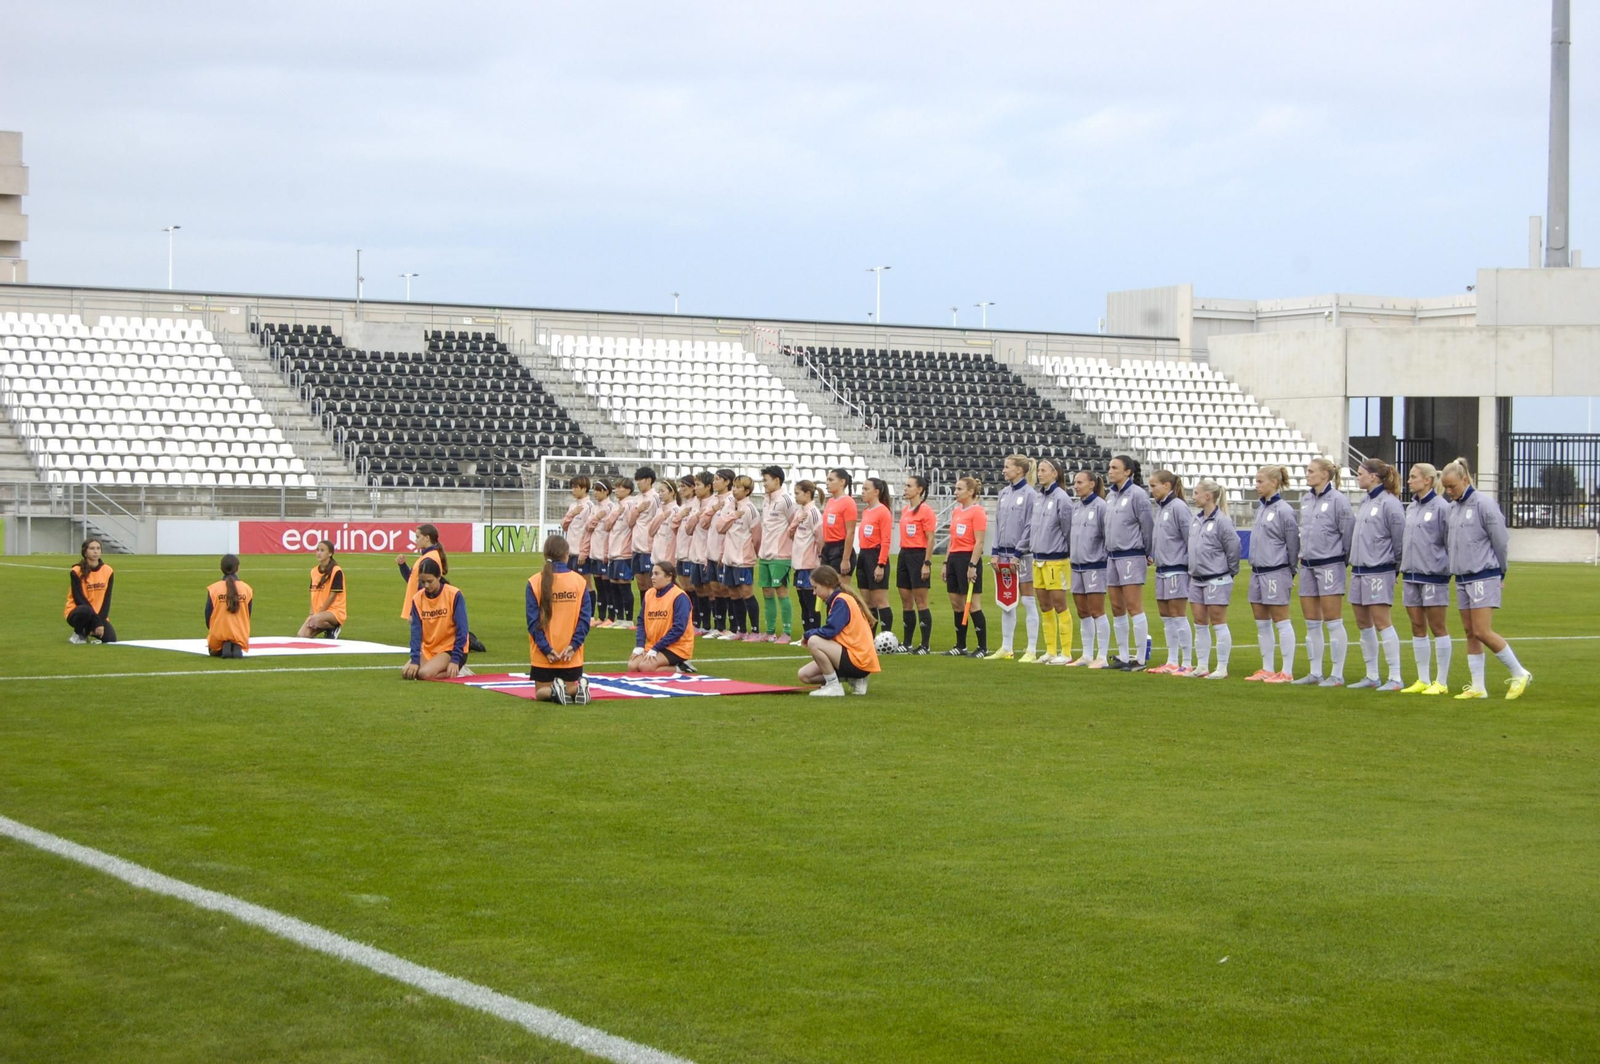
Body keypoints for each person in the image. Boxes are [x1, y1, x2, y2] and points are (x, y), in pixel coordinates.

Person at [1442, 457, 1531, 699]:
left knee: (1482, 630)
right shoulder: (1452, 509)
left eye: (1452, 487)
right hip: (1461, 577)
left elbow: (1500, 541)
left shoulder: (1485, 505)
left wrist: (1501, 571)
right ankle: (1478, 687)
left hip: (1484, 574)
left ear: (1465, 480)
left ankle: (1519, 672)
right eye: (1446, 488)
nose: (1449, 492)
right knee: (1470, 631)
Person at [1293, 457, 1355, 687]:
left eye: (1311, 471)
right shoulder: (1306, 499)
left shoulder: (1339, 500)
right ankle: (1315, 671)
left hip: (1330, 564)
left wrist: (1343, 560)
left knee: (1332, 619)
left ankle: (1337, 674)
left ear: (1324, 475)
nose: (1307, 474)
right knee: (1311, 622)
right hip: (1307, 565)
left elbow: (1348, 533)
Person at [1348, 458, 1408, 691]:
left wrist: (1395, 568)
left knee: (1382, 622)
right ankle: (1372, 674)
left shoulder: (1389, 503)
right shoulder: (1365, 501)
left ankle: (1395, 676)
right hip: (1360, 570)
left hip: (1379, 569)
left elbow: (1399, 538)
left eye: (1360, 473)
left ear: (1373, 476)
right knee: (1363, 623)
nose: (1357, 477)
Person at [1399, 463, 1453, 695]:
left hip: (1433, 575)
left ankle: (1441, 681)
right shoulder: (1411, 507)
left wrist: (1442, 567)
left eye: (1413, 477)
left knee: (1437, 626)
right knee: (1416, 626)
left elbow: (1450, 541)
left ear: (1427, 481)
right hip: (1411, 574)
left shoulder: (1442, 507)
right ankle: (1423, 679)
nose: (1409, 481)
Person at [1247, 466, 1300, 683]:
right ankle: (1267, 668)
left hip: (1275, 571)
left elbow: (1293, 544)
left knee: (1281, 620)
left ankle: (1286, 671)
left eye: (1260, 481)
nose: (1256, 485)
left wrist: (1289, 571)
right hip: (1257, 572)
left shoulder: (1284, 510)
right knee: (1261, 622)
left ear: (1274, 483)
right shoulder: (1261, 509)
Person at [525, 534, 593, 703]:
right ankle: (576, 689)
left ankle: (556, 690)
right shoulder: (579, 581)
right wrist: (573, 646)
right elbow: (584, 620)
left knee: (541, 693)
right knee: (569, 688)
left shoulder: (534, 582)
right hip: (570, 655)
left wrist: (546, 649)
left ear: (545, 555)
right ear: (566, 555)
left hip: (545, 655)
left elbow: (533, 622)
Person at [1184, 480, 1241, 679]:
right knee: (1199, 622)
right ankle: (1201, 665)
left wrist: (1228, 572)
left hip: (1216, 578)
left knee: (1218, 622)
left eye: (1196, 492)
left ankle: (1222, 667)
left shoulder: (1222, 521)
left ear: (1208, 496)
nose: (1193, 496)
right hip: (1196, 579)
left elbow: (1233, 548)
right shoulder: (1196, 519)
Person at [986, 454, 1040, 661]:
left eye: (1007, 466)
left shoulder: (1030, 495)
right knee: (1006, 601)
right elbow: (998, 523)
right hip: (1004, 555)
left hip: (1023, 555)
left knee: (1027, 600)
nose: (1003, 470)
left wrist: (1019, 552)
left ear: (1019, 470)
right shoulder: (1003, 494)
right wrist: (995, 551)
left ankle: (1031, 649)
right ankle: (1006, 647)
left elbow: (1029, 526)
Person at [799, 564, 882, 697]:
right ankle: (853, 679)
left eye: (815, 588)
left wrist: (807, 634)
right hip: (855, 657)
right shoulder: (840, 599)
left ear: (826, 584)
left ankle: (834, 686)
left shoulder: (841, 601)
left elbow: (830, 631)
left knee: (814, 641)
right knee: (804, 676)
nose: (814, 593)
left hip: (858, 660)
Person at [1104, 455, 1155, 670]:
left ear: (1128, 472)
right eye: (1109, 467)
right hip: (1112, 556)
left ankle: (1141, 659)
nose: (1110, 471)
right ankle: (1123, 656)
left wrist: (1148, 552)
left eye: (1115, 468)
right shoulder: (1110, 495)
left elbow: (1148, 526)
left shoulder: (1138, 495)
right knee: (1116, 606)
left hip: (1131, 555)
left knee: (1134, 606)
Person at [1025, 457, 1075, 665]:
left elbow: (1068, 529)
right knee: (1044, 605)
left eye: (1044, 470)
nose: (1040, 473)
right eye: (1039, 470)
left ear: (1055, 474)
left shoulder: (1062, 498)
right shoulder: (1038, 497)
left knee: (1059, 604)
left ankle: (1066, 651)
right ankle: (1050, 650)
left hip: (1056, 560)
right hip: (1038, 559)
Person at [1147, 470, 1195, 673]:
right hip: (1162, 569)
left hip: (1177, 569)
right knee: (1166, 616)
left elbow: (1190, 539)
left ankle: (1187, 662)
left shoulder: (1178, 507)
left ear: (1166, 486)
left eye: (1154, 485)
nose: (1151, 490)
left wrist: (1190, 567)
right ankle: (1172, 660)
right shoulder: (1162, 508)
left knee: (1178, 615)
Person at [1068, 468, 1111, 667]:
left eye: (1080, 482)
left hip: (1095, 566)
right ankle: (1086, 654)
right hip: (1077, 566)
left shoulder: (1101, 506)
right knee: (1082, 611)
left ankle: (1101, 656)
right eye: (1075, 483)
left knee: (1097, 610)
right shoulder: (1076, 507)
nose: (1075, 486)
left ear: (1092, 484)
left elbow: (1107, 536)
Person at [944, 476, 989, 657]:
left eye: (959, 489)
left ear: (970, 492)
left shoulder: (977, 512)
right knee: (956, 603)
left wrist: (973, 565)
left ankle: (982, 647)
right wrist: (946, 563)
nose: (956, 492)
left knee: (973, 605)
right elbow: (952, 540)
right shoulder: (956, 512)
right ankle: (960, 645)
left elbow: (979, 542)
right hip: (954, 557)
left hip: (968, 558)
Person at [403, 557, 468, 680]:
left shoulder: (454, 595)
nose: (426, 585)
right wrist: (415, 660)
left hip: (450, 649)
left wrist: (455, 659)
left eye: (430, 581)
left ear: (439, 577)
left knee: (424, 674)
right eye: (422, 582)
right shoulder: (418, 599)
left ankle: (459, 671)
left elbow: (462, 629)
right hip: (430, 649)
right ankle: (440, 668)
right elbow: (416, 632)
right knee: (407, 673)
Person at [715, 474, 761, 640]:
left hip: (743, 559)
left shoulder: (750, 510)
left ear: (747, 491)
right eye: (733, 487)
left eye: (738, 487)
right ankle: (741, 630)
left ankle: (755, 631)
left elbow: (756, 537)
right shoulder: (730, 507)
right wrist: (733, 515)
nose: (734, 490)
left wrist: (752, 553)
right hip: (729, 558)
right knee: (733, 594)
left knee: (746, 593)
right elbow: (719, 528)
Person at [896, 474, 938, 654]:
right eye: (905, 485)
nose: (905, 488)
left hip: (918, 555)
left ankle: (925, 645)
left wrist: (926, 562)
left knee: (921, 601)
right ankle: (907, 642)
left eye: (909, 486)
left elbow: (930, 539)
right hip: (904, 553)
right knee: (906, 600)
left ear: (919, 489)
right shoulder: (906, 510)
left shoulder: (926, 511)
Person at [630, 562, 696, 675]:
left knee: (646, 667)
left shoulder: (679, 597)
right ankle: (670, 665)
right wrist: (640, 645)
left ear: (669, 577)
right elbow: (641, 621)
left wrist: (656, 648)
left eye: (657, 574)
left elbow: (678, 628)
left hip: (676, 647)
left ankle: (682, 667)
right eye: (652, 574)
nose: (652, 578)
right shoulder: (649, 594)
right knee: (633, 666)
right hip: (655, 645)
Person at [757, 465, 798, 643]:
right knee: (766, 591)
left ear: (776, 480)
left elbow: (794, 524)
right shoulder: (766, 499)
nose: (763, 483)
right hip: (765, 554)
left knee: (781, 591)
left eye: (766, 480)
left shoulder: (786, 500)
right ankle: (770, 631)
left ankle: (787, 633)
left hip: (780, 555)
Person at [856, 477, 894, 635]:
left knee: (880, 600)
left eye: (866, 489)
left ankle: (886, 637)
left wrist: (881, 564)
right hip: (863, 555)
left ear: (876, 492)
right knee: (866, 601)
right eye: (862, 489)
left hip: (875, 555)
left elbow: (886, 540)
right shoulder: (866, 511)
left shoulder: (883, 512)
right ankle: (869, 637)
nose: (862, 492)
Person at [64, 537, 116, 644]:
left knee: (110, 639)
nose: (95, 551)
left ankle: (87, 631)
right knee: (85, 610)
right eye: (92, 548)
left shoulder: (108, 570)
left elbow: (107, 600)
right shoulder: (76, 571)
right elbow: (79, 599)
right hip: (78, 612)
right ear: (85, 552)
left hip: (98, 614)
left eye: (98, 548)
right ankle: (78, 633)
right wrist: (96, 622)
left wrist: (100, 622)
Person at [704, 469, 737, 637]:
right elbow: (703, 524)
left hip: (722, 554)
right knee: (715, 590)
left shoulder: (731, 500)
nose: (714, 482)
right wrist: (713, 509)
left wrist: (722, 554)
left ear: (727, 482)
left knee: (726, 590)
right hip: (710, 552)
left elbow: (726, 529)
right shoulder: (713, 501)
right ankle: (719, 627)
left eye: (717, 479)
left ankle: (733, 627)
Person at [789, 479, 825, 634]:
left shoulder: (813, 512)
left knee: (810, 602)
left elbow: (820, 537)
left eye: (797, 493)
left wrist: (819, 558)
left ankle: (814, 634)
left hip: (809, 564)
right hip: (798, 563)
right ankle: (806, 635)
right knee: (802, 602)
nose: (795, 496)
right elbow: (790, 534)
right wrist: (796, 521)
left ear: (808, 493)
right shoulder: (800, 511)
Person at [205, 554, 253, 659]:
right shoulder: (247, 589)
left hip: (217, 635)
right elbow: (247, 615)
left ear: (221, 568)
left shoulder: (214, 589)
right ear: (238, 568)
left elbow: (208, 616)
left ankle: (223, 645)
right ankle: (235, 643)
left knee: (213, 649)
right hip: (240, 635)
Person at [605, 478, 639, 627]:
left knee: (624, 585)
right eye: (616, 487)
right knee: (614, 584)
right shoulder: (616, 506)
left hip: (623, 551)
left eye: (620, 487)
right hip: (613, 551)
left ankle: (628, 618)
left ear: (628, 490)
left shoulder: (631, 504)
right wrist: (616, 513)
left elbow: (631, 524)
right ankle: (619, 618)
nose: (617, 490)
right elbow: (607, 526)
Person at [397, 523, 446, 621]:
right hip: (421, 609)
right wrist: (403, 566)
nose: (416, 540)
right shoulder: (426, 557)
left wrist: (415, 611)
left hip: (422, 610)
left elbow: (425, 587)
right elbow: (412, 579)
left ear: (427, 538)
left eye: (418, 537)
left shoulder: (429, 558)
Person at [297, 539, 346, 638]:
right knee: (301, 636)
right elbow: (313, 593)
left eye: (322, 550)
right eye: (317, 550)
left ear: (330, 553)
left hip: (334, 611)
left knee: (316, 620)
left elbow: (332, 596)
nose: (318, 553)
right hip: (318, 612)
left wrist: (319, 614)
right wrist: (311, 613)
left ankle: (334, 626)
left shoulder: (336, 571)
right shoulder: (314, 571)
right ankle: (329, 628)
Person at [687, 472, 716, 634]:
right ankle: (701, 624)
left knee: (710, 589)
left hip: (707, 553)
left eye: (698, 485)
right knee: (697, 588)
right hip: (695, 552)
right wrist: (696, 515)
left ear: (708, 487)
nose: (695, 488)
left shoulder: (714, 503)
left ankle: (713, 625)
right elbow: (688, 529)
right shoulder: (695, 504)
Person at [820, 468, 859, 582]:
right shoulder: (830, 501)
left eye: (831, 480)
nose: (827, 483)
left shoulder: (848, 502)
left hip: (840, 548)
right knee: (824, 588)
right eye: (827, 480)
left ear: (842, 482)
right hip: (828, 548)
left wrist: (845, 559)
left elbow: (850, 532)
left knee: (841, 590)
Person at [587, 478, 617, 626]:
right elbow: (588, 527)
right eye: (595, 490)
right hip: (594, 551)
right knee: (598, 585)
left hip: (605, 552)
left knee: (608, 586)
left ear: (607, 491)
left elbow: (609, 530)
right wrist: (596, 518)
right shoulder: (594, 508)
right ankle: (601, 616)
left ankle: (611, 617)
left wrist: (607, 552)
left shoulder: (611, 507)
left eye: (599, 490)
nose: (595, 493)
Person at [629, 466, 660, 605]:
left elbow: (658, 520)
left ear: (648, 480)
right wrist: (638, 510)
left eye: (640, 480)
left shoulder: (655, 498)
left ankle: (653, 611)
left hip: (648, 548)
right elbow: (630, 522)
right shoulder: (636, 499)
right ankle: (644, 613)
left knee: (650, 583)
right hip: (636, 547)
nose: (638, 483)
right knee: (640, 583)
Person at [648, 479, 680, 601]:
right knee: (656, 589)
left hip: (667, 558)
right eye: (659, 491)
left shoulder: (676, 510)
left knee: (670, 590)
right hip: (656, 556)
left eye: (663, 491)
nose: (660, 494)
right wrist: (662, 516)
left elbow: (673, 536)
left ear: (672, 492)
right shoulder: (660, 510)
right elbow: (651, 531)